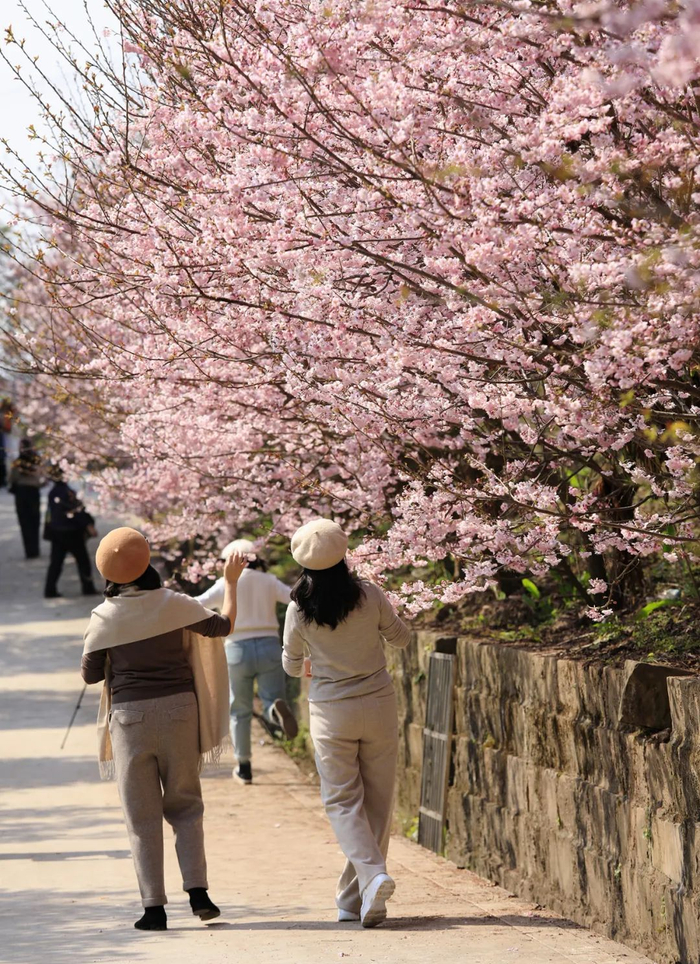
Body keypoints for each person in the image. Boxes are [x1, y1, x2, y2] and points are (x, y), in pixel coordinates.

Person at [81, 526, 247, 932]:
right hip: (179, 712)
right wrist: (230, 584)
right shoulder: (174, 603)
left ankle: (153, 908)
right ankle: (199, 894)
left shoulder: (104, 617)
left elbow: (89, 675)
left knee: (141, 817)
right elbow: (222, 626)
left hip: (129, 721)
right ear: (147, 562)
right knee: (186, 806)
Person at [282, 518, 411, 928]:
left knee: (341, 801)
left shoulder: (299, 609)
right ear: (343, 552)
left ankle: (368, 882)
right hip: (377, 704)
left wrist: (310, 665)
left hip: (331, 711)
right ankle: (355, 897)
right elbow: (401, 637)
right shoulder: (369, 595)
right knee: (377, 800)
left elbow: (290, 665)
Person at [195, 538, 298, 784]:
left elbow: (197, 605)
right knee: (272, 697)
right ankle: (274, 710)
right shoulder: (268, 581)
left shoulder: (223, 584)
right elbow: (296, 599)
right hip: (269, 646)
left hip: (236, 649)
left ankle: (244, 767)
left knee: (239, 710)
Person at [43, 467, 98, 597]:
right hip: (72, 532)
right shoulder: (69, 493)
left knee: (56, 563)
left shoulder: (52, 493)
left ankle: (49, 590)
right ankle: (88, 587)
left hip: (57, 532)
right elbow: (78, 511)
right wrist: (89, 525)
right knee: (83, 561)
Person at [8, 438, 43, 559]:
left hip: (22, 492)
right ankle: (34, 549)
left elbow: (12, 478)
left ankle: (30, 551)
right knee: (34, 521)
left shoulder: (18, 461)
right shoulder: (36, 460)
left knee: (25, 521)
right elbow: (42, 478)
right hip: (33, 492)